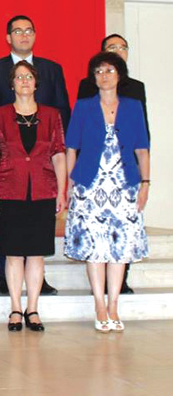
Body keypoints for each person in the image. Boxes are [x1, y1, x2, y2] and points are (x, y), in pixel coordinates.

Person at [0, 15, 69, 296]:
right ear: (8, 37)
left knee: (37, 240)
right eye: (17, 31)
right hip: (8, 169)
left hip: (42, 170)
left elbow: (62, 114)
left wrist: (61, 182)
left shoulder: (51, 69)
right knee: (9, 238)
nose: (24, 35)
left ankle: (38, 283)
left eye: (29, 30)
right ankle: (4, 277)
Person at [64, 52, 150, 333]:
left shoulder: (133, 107)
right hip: (90, 186)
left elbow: (142, 149)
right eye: (99, 71)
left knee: (119, 247)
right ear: (93, 77)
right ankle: (99, 305)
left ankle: (114, 305)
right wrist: (71, 184)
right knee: (95, 247)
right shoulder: (83, 106)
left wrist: (145, 183)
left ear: (119, 75)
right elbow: (71, 148)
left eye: (110, 70)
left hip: (124, 186)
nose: (104, 76)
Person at [0, 61, 67, 332]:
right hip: (9, 190)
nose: (24, 81)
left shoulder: (52, 115)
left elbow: (59, 155)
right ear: (12, 84)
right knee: (13, 254)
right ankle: (15, 309)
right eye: (19, 77)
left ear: (36, 83)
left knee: (36, 254)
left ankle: (33, 309)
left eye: (29, 77)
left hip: (43, 191)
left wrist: (62, 191)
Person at [77, 34, 148, 294]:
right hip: (94, 172)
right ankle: (99, 291)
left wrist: (144, 177)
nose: (117, 51)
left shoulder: (136, 89)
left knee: (123, 230)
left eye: (122, 47)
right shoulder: (87, 87)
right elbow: (78, 137)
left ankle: (120, 282)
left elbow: (143, 136)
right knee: (96, 232)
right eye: (111, 47)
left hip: (125, 170)